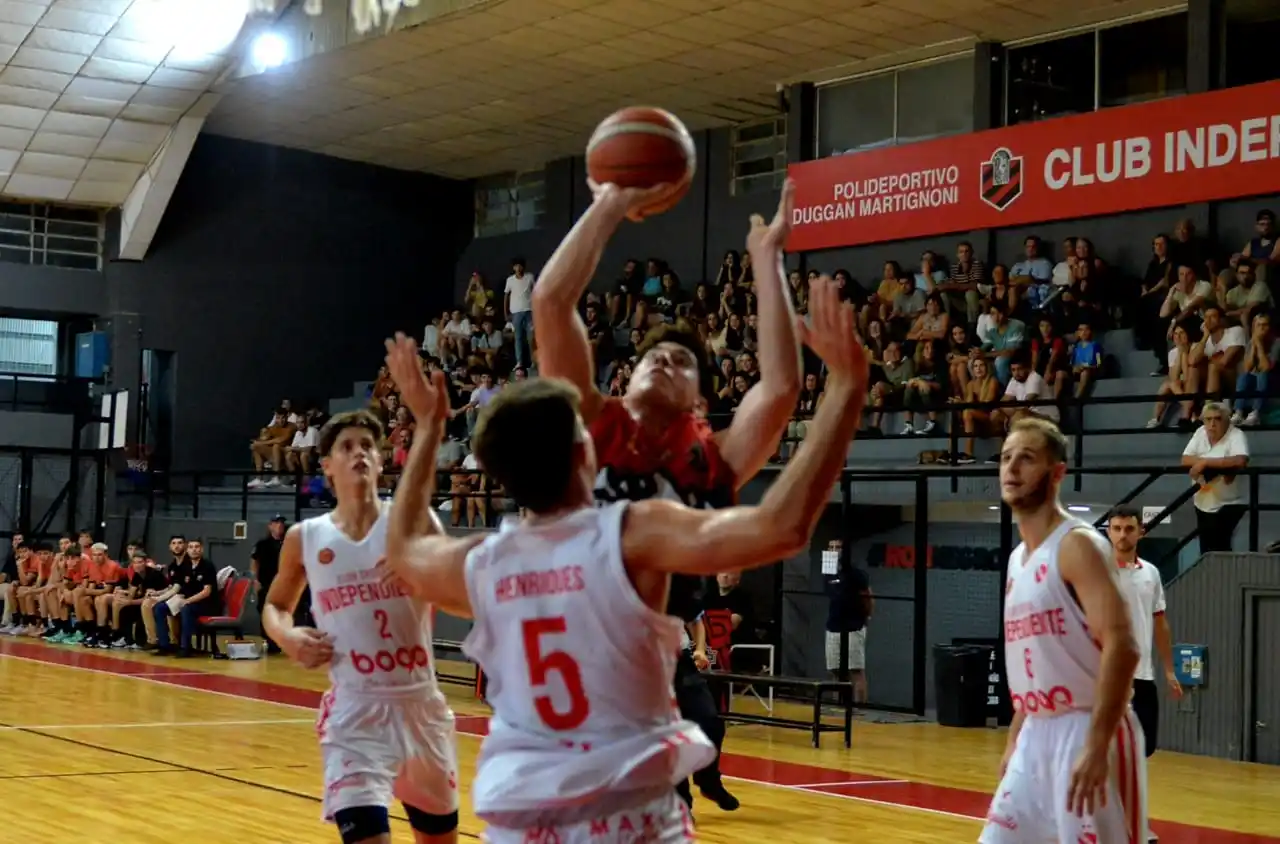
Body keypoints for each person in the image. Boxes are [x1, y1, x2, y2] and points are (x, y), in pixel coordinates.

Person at [380, 274, 867, 844]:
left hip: (524, 820)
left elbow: (405, 551)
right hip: (629, 817)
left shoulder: (483, 564)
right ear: (588, 450)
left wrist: (428, 427)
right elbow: (783, 525)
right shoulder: (634, 532)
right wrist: (846, 387)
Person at [530, 177, 803, 815]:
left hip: (652, 660)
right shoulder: (592, 420)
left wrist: (767, 260)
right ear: (626, 379)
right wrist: (607, 207)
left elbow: (782, 387)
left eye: (683, 362)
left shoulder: (715, 458)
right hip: (566, 647)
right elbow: (549, 301)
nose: (666, 362)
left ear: (700, 401)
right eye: (655, 357)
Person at [261, 407, 459, 844]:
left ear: (382, 459)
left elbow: (459, 593)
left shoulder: (414, 523)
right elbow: (275, 604)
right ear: (327, 465)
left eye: (368, 446)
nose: (359, 454)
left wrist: (424, 574)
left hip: (420, 705)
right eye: (346, 447)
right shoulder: (305, 536)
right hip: (356, 712)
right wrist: (287, 635)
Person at [981, 417, 1146, 844]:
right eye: (1005, 458)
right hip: (1036, 729)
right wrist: (1016, 738)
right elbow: (1038, 660)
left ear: (1057, 474)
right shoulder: (1018, 558)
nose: (1011, 468)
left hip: (1089, 726)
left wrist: (1096, 743)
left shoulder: (1078, 545)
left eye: (1027, 458)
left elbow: (1123, 645)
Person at [1105, 505, 1183, 844]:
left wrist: (1168, 668)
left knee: (1142, 750)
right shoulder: (1096, 572)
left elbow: (1159, 623)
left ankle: (1130, 821)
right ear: (1108, 531)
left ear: (1141, 532)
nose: (1123, 534)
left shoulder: (1150, 573)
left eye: (1129, 528)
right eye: (1117, 528)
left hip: (1143, 677)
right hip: (1105, 680)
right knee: (1109, 753)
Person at [252, 515, 287, 654]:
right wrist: (254, 580)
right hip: (266, 583)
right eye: (276, 523)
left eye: (281, 523)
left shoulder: (287, 543)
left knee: (281, 613)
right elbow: (255, 562)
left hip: (282, 584)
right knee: (264, 612)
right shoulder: (262, 544)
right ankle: (268, 639)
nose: (279, 526)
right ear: (270, 526)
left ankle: (278, 641)